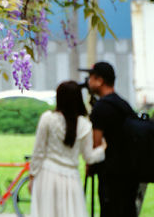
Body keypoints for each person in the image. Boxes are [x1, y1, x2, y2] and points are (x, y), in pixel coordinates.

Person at [28, 80, 106, 217]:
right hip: (71, 178)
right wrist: (103, 148)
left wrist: (32, 176)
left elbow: (38, 152)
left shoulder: (47, 119)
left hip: (47, 175)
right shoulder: (84, 125)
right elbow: (89, 157)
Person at [83, 61, 142, 217]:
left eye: (91, 77)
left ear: (100, 80)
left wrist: (90, 164)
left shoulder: (101, 108)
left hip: (110, 175)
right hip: (130, 173)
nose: (88, 81)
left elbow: (96, 144)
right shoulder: (123, 105)